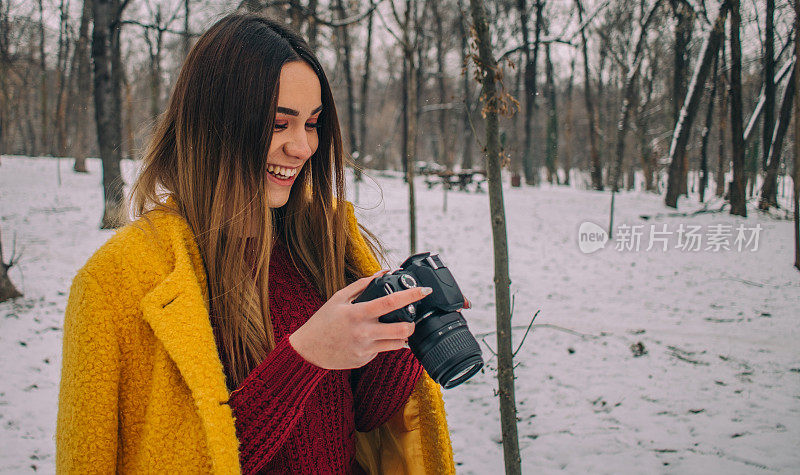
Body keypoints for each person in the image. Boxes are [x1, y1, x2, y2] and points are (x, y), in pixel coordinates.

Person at [55, 14, 459, 474]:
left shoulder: (318, 245)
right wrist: (304, 358)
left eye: (312, 123)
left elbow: (359, 419)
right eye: (278, 123)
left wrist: (399, 336)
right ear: (215, 123)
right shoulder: (116, 284)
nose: (303, 146)